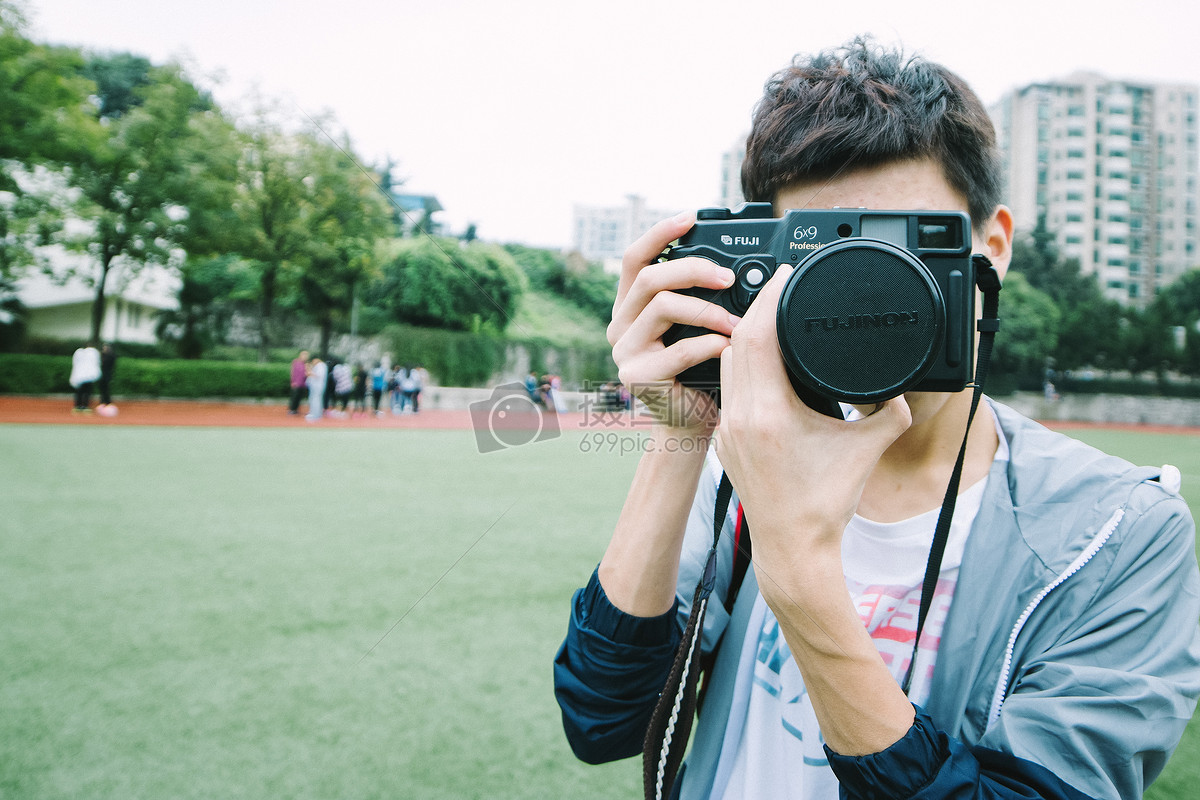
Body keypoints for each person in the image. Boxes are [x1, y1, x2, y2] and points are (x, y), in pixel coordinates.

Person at [553, 38, 1200, 800]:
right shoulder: (744, 459)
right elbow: (602, 722)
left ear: (990, 247)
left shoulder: (1118, 534)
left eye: (901, 246)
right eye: (826, 250)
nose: (864, 290)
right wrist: (684, 430)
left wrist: (795, 562)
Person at [69, 342, 102, 412]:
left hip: (79, 376)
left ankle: (77, 405)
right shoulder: (93, 352)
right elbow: (97, 362)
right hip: (89, 376)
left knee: (79, 392)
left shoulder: (79, 353)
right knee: (87, 392)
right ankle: (85, 405)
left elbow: (75, 363)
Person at [305, 356, 327, 422]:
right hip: (316, 386)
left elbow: (318, 375)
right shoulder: (320, 366)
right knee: (315, 400)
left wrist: (309, 372)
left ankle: (315, 415)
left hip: (317, 386)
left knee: (315, 400)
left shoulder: (320, 366)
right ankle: (315, 414)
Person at [96, 343, 117, 410]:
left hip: (107, 374)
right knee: (102, 388)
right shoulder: (105, 355)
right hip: (103, 374)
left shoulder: (110, 356)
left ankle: (107, 401)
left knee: (106, 388)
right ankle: (103, 401)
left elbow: (105, 363)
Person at [288, 350, 310, 415]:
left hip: (303, 384)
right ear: (300, 355)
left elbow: (307, 373)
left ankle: (296, 409)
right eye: (304, 355)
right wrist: (292, 381)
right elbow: (292, 372)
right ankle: (292, 409)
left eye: (306, 355)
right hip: (296, 383)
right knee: (294, 397)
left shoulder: (306, 363)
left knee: (299, 397)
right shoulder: (295, 362)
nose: (305, 356)